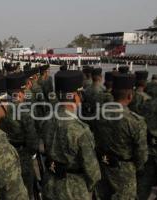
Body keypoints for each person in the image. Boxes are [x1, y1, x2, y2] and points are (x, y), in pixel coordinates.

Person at [42, 70, 101, 200]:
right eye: (80, 94)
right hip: (73, 190)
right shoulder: (81, 130)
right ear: (75, 96)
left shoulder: (46, 120)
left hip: (49, 185)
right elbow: (93, 171)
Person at [94, 73, 148, 199]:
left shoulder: (99, 113)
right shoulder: (135, 121)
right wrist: (136, 168)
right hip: (124, 173)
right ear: (130, 96)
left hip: (102, 166)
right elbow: (141, 155)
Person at [0, 73, 39, 199]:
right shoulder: (24, 112)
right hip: (23, 156)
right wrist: (32, 152)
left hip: (5, 154)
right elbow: (32, 140)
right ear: (20, 92)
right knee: (27, 189)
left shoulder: (1, 109)